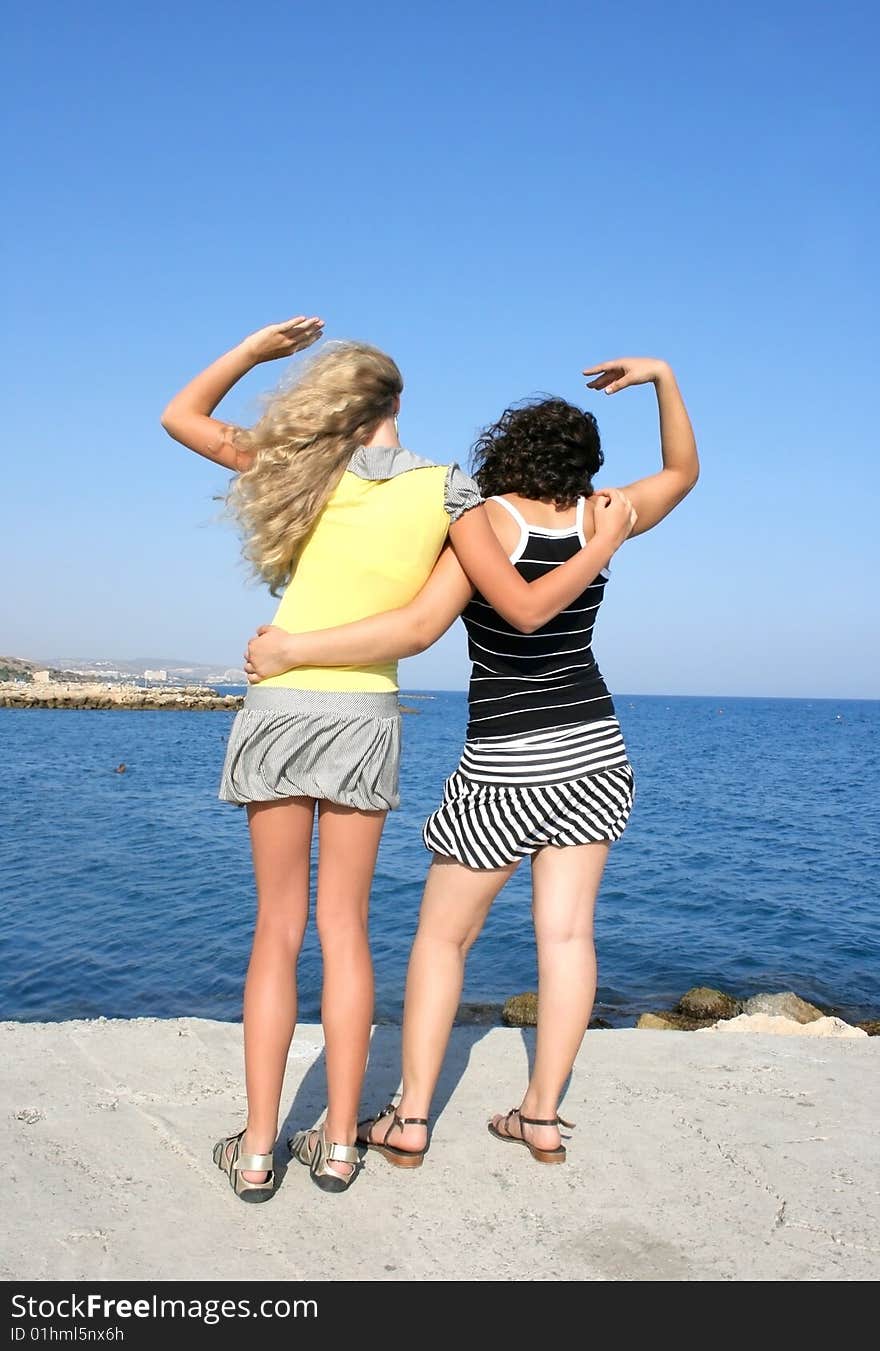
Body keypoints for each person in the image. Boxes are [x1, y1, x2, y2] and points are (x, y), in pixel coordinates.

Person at [161, 318, 637, 1199]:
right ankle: (342, 1142)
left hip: (277, 705)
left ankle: (260, 1147)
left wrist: (253, 354)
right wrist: (600, 536)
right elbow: (430, 627)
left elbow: (181, 416)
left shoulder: (296, 470)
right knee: (346, 931)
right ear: (398, 406)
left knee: (276, 932)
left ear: (332, 404)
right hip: (366, 713)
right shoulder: (449, 491)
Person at [244, 355, 698, 1168]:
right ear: (584, 464)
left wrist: (293, 650)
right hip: (593, 745)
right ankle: (542, 1117)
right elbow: (684, 470)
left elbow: (442, 622)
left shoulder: (482, 523)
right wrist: (663, 379)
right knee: (565, 935)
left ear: (502, 452)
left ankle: (411, 1118)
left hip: (504, 758)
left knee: (443, 937)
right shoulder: (609, 510)